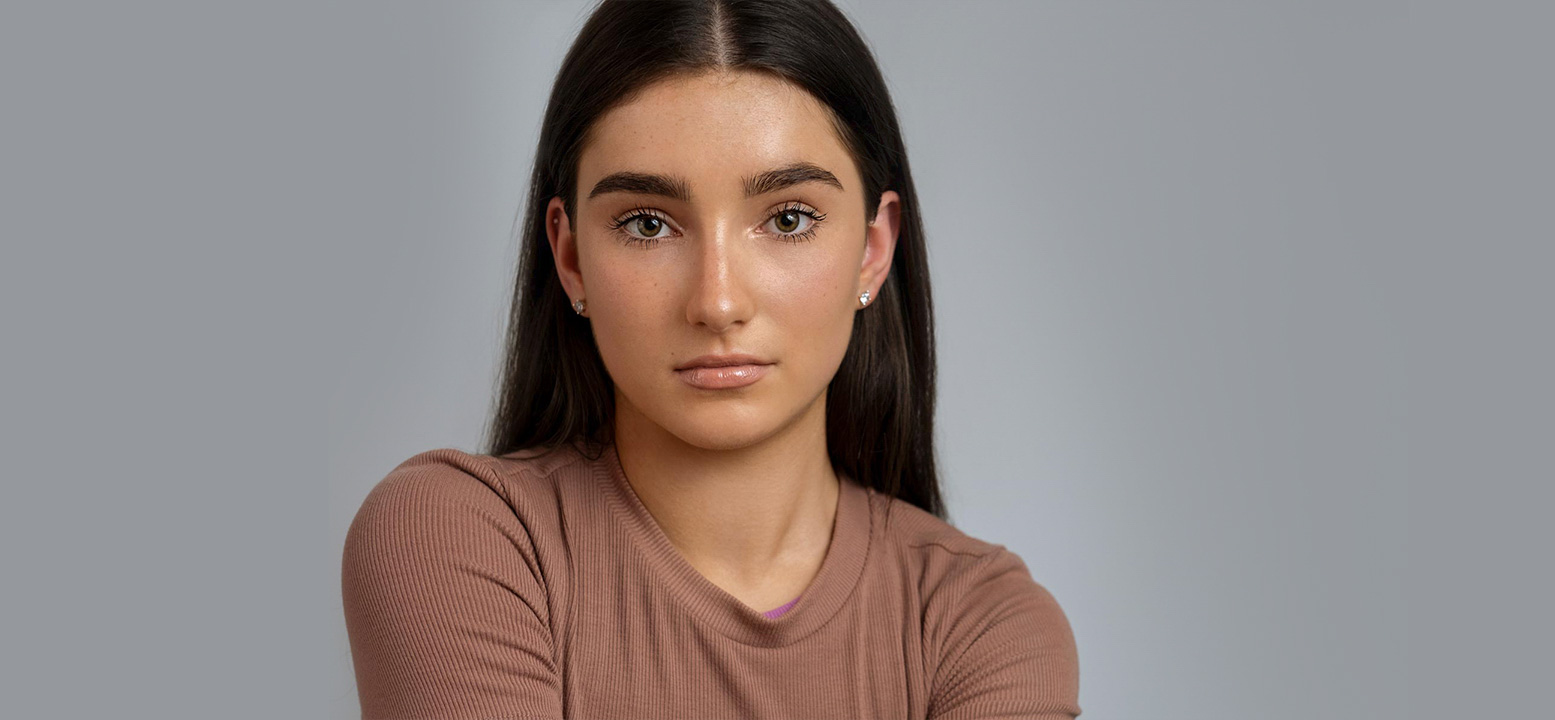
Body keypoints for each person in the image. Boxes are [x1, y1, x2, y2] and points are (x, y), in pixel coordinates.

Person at [340, 0, 1081, 717]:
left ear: (872, 248)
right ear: (569, 258)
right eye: (647, 224)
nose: (717, 301)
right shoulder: (455, 539)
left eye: (788, 219)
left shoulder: (982, 622)